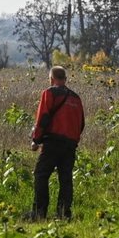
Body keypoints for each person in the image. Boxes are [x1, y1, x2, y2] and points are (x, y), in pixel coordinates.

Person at [29, 65, 86, 220]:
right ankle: (63, 214)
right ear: (65, 79)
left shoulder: (49, 93)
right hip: (70, 144)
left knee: (41, 175)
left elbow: (43, 118)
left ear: (51, 79)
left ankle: (39, 212)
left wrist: (36, 140)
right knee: (65, 179)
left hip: (52, 142)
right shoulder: (76, 98)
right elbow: (81, 124)